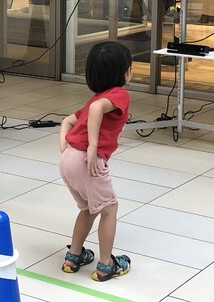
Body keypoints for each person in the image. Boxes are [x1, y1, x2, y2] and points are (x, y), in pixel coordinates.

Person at [59, 41, 132, 282]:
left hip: (69, 160)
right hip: (86, 161)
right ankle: (106, 265)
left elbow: (66, 121)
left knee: (89, 209)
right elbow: (97, 110)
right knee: (109, 209)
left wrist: (65, 148)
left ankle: (74, 256)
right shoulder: (118, 95)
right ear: (126, 72)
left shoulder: (96, 98)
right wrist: (91, 147)